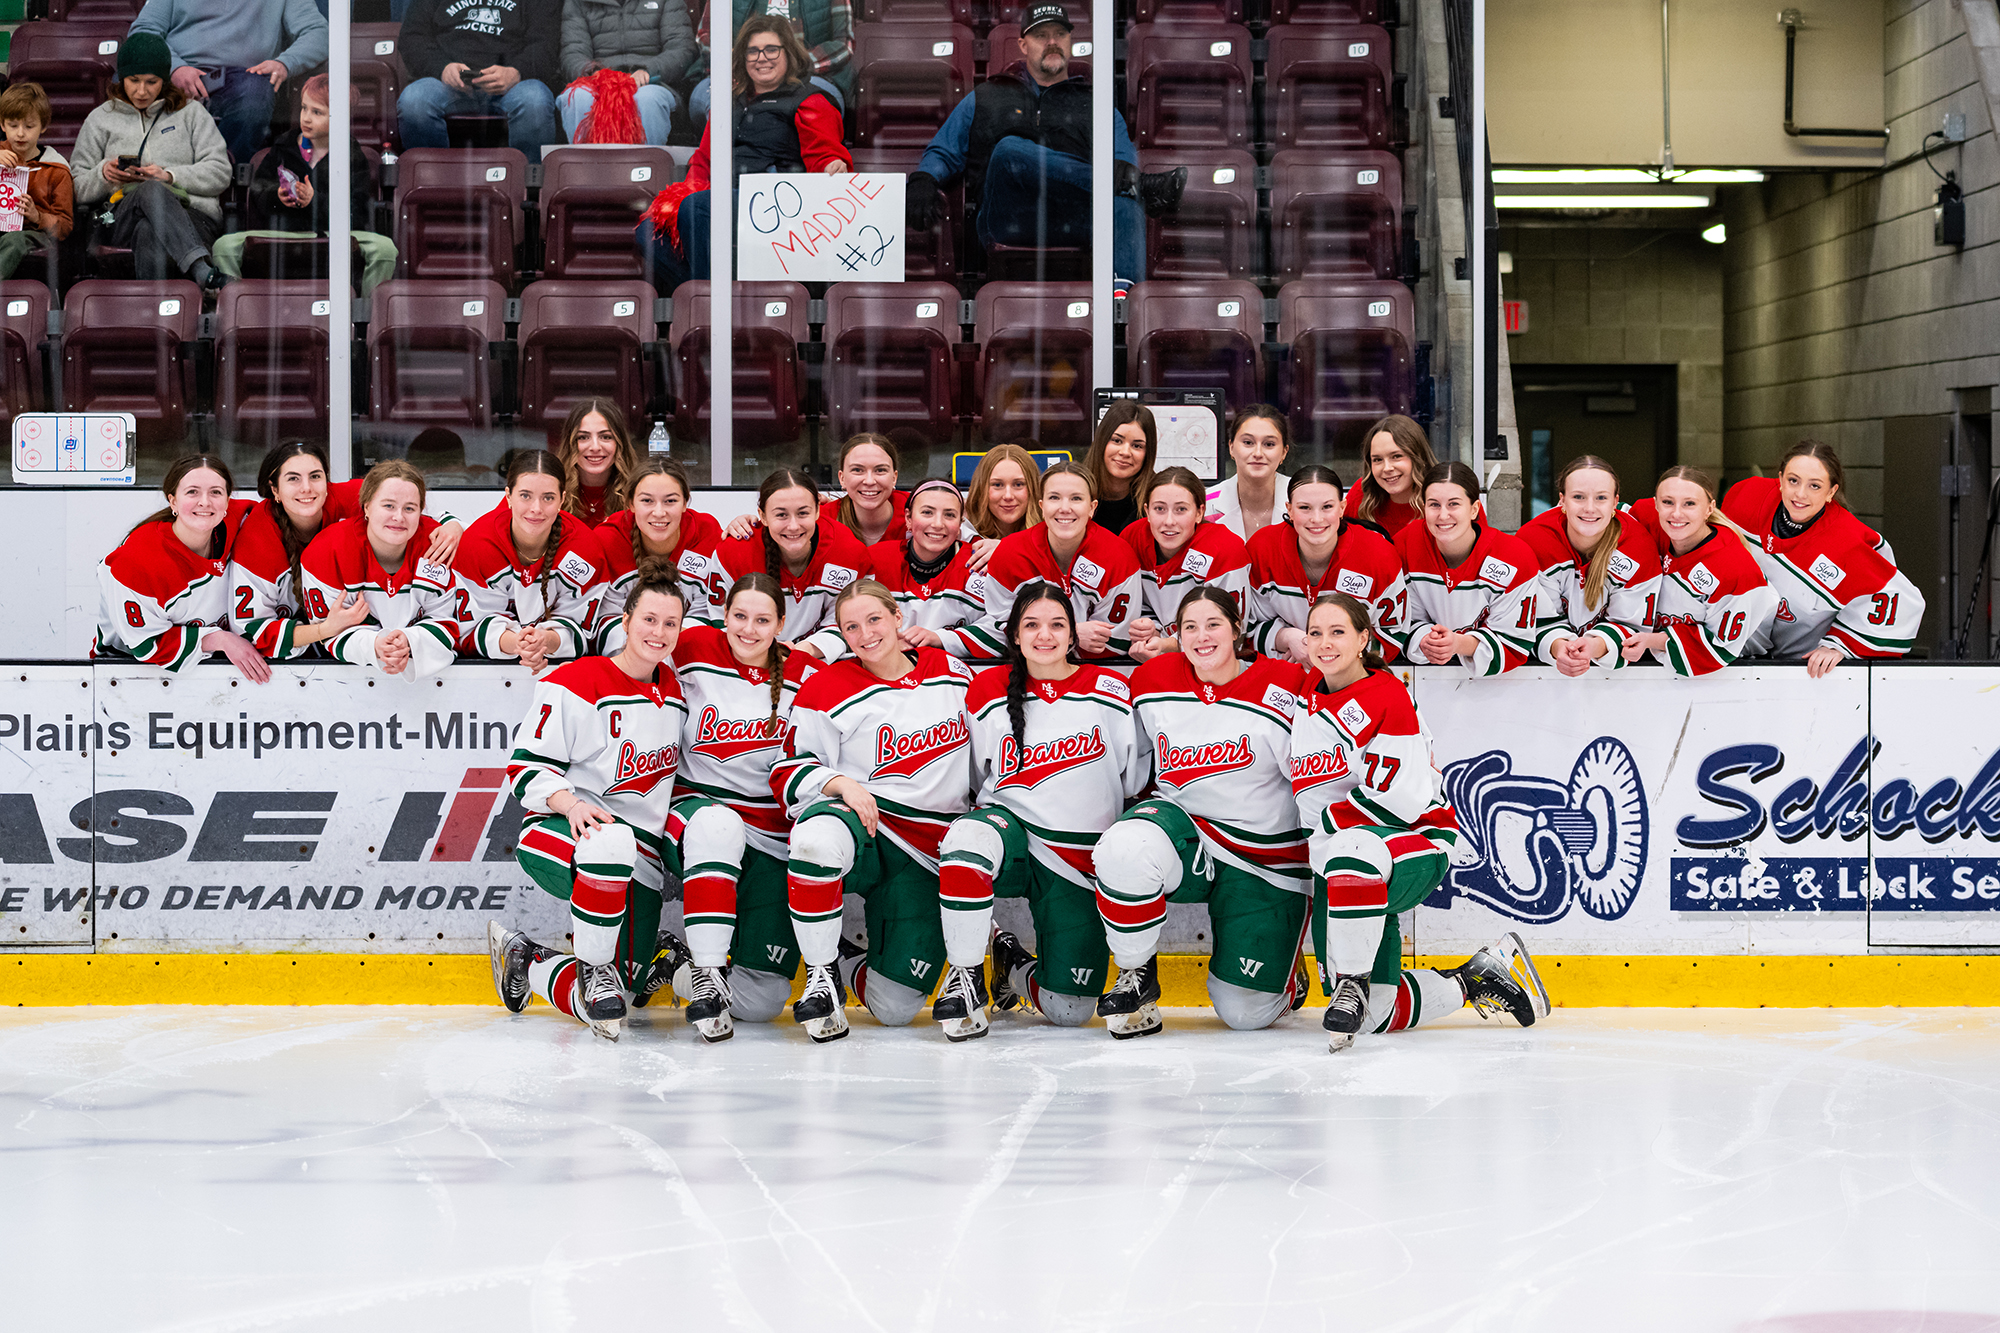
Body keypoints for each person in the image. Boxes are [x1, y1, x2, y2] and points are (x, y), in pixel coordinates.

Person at [1289, 592, 1550, 1052]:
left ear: (1363, 639)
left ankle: (1352, 979)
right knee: (1371, 1017)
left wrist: (1327, 829)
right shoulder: (1309, 693)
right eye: (1315, 633)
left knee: (1353, 851)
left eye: (1338, 632)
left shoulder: (1384, 694)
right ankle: (1475, 979)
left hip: (1413, 840)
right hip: (1345, 861)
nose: (1325, 643)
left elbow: (1401, 798)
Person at [933, 581, 1151, 1039]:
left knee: (1069, 1009)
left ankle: (1010, 964)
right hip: (1008, 838)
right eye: (1031, 625)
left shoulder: (1111, 689)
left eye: (1057, 625)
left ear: (1073, 634)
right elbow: (973, 776)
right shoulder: (986, 689)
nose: (1044, 635)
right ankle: (966, 975)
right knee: (966, 839)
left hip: (1075, 860)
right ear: (1014, 634)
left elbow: (1131, 779)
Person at [1091, 588, 1312, 1038]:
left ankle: (1286, 972)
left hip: (1263, 857)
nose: (1202, 636)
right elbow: (1129, 766)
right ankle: (1136, 974)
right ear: (1176, 634)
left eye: (1213, 624)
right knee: (1123, 846)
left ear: (1236, 628)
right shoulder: (1152, 681)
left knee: (1246, 1014)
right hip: (1186, 835)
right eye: (1189, 626)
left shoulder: (1286, 685)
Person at [487, 561, 690, 1041]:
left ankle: (526, 959)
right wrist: (569, 802)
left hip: (637, 855)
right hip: (563, 833)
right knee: (604, 992)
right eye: (648, 619)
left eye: (670, 623)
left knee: (626, 993)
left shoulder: (676, 692)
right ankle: (577, 962)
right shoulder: (574, 680)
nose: (658, 632)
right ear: (625, 622)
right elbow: (525, 768)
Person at [774, 579, 976, 1042]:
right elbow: (787, 770)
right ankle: (821, 976)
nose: (865, 634)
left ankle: (846, 957)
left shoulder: (952, 673)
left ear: (898, 618)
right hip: (863, 824)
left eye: (874, 620)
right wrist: (839, 782)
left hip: (927, 850)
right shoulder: (826, 687)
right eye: (851, 627)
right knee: (814, 841)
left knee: (895, 1008)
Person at [908, 3, 1183, 284]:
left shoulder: (1096, 104)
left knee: (1126, 202)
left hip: (1075, 217)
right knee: (1008, 150)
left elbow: (1123, 163)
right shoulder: (988, 95)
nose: (1052, 43)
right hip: (1008, 217)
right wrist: (924, 178)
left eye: (1060, 34)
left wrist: (1126, 181)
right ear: (1023, 45)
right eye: (1041, 35)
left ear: (1070, 41)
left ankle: (1122, 308)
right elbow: (944, 150)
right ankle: (1143, 186)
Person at [658, 572, 821, 1037]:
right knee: (718, 826)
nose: (749, 629)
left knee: (761, 1003)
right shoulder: (690, 649)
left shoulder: (806, 674)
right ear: (723, 616)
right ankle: (708, 973)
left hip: (771, 836)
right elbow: (631, 646)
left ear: (781, 624)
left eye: (762, 620)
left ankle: (677, 966)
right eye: (739, 616)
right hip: (697, 814)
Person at [638, 19, 849, 291]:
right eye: (753, 51)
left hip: (779, 205)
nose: (762, 58)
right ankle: (721, 291)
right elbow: (703, 160)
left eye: (772, 49)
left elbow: (824, 154)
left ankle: (707, 302)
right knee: (649, 231)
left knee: (699, 208)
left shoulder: (810, 100)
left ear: (789, 53)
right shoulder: (728, 101)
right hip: (726, 198)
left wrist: (832, 164)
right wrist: (686, 195)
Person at [229, 440, 463, 660]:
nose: (307, 488)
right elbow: (253, 630)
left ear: (327, 482)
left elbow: (411, 511)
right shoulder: (257, 537)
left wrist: (452, 525)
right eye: (293, 479)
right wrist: (324, 629)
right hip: (312, 643)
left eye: (315, 476)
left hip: (346, 637)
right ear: (275, 490)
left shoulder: (352, 497)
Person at [1721, 440, 1924, 677]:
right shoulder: (1746, 498)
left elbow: (1900, 600)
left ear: (1831, 492)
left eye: (1815, 486)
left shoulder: (1847, 541)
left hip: (1803, 670)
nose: (1800, 494)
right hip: (1737, 657)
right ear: (1780, 479)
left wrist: (1841, 644)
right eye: (1793, 480)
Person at [70, 34, 233, 289]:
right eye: (133, 81)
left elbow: (220, 172)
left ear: (165, 81)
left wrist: (169, 176)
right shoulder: (100, 119)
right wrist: (104, 175)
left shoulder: (191, 113)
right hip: (118, 217)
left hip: (191, 216)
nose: (142, 91)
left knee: (148, 229)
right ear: (121, 78)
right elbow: (76, 186)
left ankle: (152, 318)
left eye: (151, 82)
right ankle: (202, 269)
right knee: (149, 190)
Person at [211, 74, 398, 295]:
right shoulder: (283, 145)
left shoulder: (352, 154)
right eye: (304, 108)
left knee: (385, 249)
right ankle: (236, 308)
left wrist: (314, 200)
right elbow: (259, 190)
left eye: (316, 112)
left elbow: (358, 212)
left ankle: (370, 316)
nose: (306, 118)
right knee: (223, 247)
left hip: (334, 235)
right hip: (284, 232)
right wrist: (276, 195)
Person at [94, 454, 266, 679]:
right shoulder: (137, 561)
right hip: (131, 672)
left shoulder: (243, 521)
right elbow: (146, 645)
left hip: (221, 665)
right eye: (192, 492)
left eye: (215, 492)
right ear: (173, 501)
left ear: (227, 501)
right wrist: (219, 639)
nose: (205, 502)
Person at [298, 461, 467, 678]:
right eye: (388, 506)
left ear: (421, 511)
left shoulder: (439, 545)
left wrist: (409, 642)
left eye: (409, 508)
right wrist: (375, 646)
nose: (398, 517)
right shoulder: (327, 550)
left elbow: (449, 623)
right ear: (366, 507)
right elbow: (328, 633)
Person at [963, 462, 1144, 661]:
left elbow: (1116, 642)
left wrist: (1046, 641)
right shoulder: (1009, 553)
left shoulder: (1118, 556)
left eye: (1076, 498)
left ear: (1092, 508)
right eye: (1054, 498)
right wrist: (1072, 635)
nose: (1064, 508)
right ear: (1041, 506)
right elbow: (1001, 629)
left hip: (1094, 674)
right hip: (1025, 670)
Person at [455, 451, 608, 673]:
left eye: (548, 498)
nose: (536, 508)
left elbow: (583, 634)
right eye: (525, 495)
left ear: (562, 500)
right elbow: (468, 631)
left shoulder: (585, 550)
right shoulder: (478, 543)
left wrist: (546, 640)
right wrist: (517, 644)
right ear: (508, 496)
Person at [1620, 466, 1779, 677]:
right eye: (1668, 502)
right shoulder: (1646, 517)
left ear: (1709, 508)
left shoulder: (1734, 568)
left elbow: (1719, 647)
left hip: (1736, 671)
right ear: (1656, 503)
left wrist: (1651, 640)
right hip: (1651, 655)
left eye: (1690, 504)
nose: (1676, 513)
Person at [128, 0, 328, 163]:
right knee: (131, 80)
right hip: (176, 76)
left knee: (254, 94)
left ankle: (219, 177)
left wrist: (285, 64)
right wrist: (174, 68)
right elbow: (143, 31)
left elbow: (319, 33)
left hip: (244, 80)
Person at [1391, 462, 1542, 676]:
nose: (1443, 515)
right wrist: (1426, 640)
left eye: (1453, 504)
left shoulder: (1514, 557)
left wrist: (1459, 644)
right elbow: (1402, 623)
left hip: (1498, 690)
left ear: (1474, 509)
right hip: (1429, 681)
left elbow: (1514, 644)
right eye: (1434, 505)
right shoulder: (1405, 545)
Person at [1245, 464, 1405, 665]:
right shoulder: (1262, 549)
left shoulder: (1378, 554)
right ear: (1289, 510)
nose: (1317, 519)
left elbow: (1393, 635)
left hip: (1354, 678)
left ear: (1342, 508)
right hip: (1283, 671)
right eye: (1304, 508)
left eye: (1327, 507)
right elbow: (1245, 629)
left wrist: (1337, 658)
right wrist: (1285, 637)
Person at [1518, 455, 1662, 677]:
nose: (1590, 508)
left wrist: (1593, 647)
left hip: (1614, 684)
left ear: (1615, 502)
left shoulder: (1638, 546)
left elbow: (1632, 626)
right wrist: (1558, 648)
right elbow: (1534, 621)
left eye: (1601, 498)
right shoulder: (1533, 539)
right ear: (1562, 501)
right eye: (1578, 497)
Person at [713, 467, 872, 657]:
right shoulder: (734, 552)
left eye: (803, 513)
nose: (794, 525)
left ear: (817, 511)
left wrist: (800, 652)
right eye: (781, 515)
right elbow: (719, 623)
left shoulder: (847, 551)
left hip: (817, 660)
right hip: (746, 659)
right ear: (762, 516)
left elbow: (850, 622)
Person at [397, 0, 562, 161]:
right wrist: (442, 68)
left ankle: (528, 185)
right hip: (447, 84)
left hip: (513, 85)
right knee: (414, 100)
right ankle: (432, 183)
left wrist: (516, 71)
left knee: (535, 100)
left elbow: (546, 43)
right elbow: (412, 37)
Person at [594, 457, 729, 647]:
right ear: (631, 503)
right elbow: (602, 617)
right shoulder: (607, 539)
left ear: (685, 503)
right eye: (647, 500)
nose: (659, 512)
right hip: (626, 654)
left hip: (686, 653)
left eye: (670, 501)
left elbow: (708, 612)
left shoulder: (707, 534)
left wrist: (671, 641)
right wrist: (642, 646)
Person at [1121, 465, 1251, 662]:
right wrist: (1150, 628)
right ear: (1147, 511)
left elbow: (1233, 632)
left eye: (1181, 509)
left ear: (1200, 512)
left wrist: (1167, 644)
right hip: (1163, 660)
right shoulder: (1132, 539)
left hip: (1217, 662)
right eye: (1159, 509)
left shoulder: (1225, 549)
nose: (1169, 521)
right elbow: (1139, 603)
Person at [866, 479, 990, 658]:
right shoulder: (875, 560)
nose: (938, 524)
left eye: (949, 515)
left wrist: (942, 638)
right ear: (908, 518)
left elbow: (1004, 629)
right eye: (927, 512)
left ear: (960, 523)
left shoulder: (980, 563)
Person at [720, 432, 907, 546]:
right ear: (842, 478)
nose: (869, 480)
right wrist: (742, 523)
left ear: (894, 477)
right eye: (857, 470)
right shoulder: (819, 518)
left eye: (880, 470)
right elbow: (778, 528)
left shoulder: (920, 513)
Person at [686, 0, 852, 123]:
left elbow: (843, 45)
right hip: (738, 73)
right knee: (717, 100)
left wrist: (792, 65)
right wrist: (737, 66)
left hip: (808, 75)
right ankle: (725, 166)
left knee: (817, 108)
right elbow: (706, 37)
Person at [558, 0, 697, 146]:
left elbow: (681, 49)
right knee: (577, 97)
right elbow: (572, 53)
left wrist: (647, 70)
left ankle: (646, 166)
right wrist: (594, 73)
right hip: (600, 80)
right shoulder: (577, 2)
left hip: (653, 81)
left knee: (647, 99)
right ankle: (584, 166)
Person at [0, 83, 73, 282]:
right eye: (13, 126)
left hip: (32, 233)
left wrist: (37, 216)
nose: (20, 133)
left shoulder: (56, 169)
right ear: (2, 124)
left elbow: (65, 226)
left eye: (29, 126)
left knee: (15, 239)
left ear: (43, 126)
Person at [551, 398, 645, 528]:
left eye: (605, 437)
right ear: (570, 444)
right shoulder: (551, 491)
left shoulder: (640, 492)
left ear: (619, 443)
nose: (595, 447)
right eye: (583, 437)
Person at [1205, 404, 1293, 540]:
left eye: (1269, 444)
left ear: (1284, 452)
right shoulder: (1205, 505)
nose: (1258, 453)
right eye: (1248, 442)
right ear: (1231, 447)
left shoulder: (1307, 500)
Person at [1347, 413, 1440, 541]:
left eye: (1396, 456)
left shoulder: (1445, 493)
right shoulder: (1362, 492)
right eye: (1377, 459)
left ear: (1418, 457)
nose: (1387, 468)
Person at [1083, 400, 1156, 536]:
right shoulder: (1076, 492)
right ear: (1102, 440)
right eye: (1117, 441)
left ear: (1148, 453)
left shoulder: (1156, 501)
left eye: (1137, 446)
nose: (1125, 452)